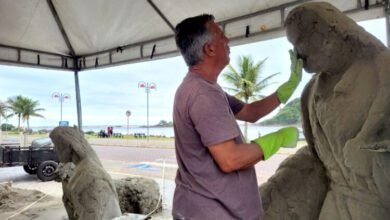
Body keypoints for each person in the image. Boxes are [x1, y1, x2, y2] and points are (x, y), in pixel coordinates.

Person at [259, 2, 390, 219]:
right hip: (334, 207)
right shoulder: (310, 93)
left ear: (329, 31)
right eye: (292, 44)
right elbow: (317, 159)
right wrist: (277, 189)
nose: (297, 53)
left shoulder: (381, 71)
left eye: (300, 41)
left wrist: (374, 155)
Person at [172, 14, 303, 219]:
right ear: (210, 49)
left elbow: (250, 113)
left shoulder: (206, 88)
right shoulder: (202, 94)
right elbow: (230, 159)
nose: (228, 40)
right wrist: (277, 139)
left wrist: (286, 90)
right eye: (222, 36)